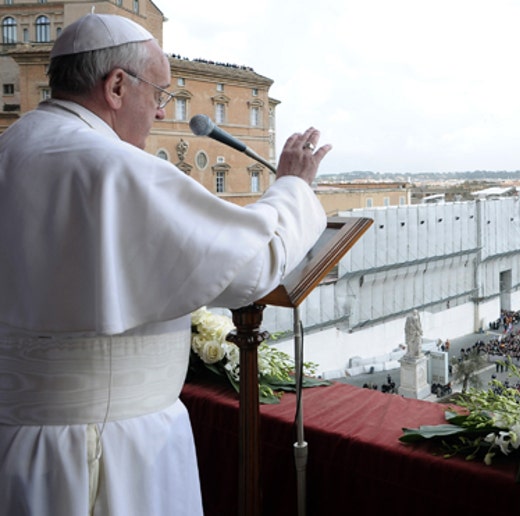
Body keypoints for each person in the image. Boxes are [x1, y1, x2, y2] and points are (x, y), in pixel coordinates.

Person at [0, 13, 329, 516]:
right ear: (115, 86)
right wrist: (293, 188)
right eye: (158, 95)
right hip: (105, 450)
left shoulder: (14, 147)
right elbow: (251, 265)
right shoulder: (113, 166)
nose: (159, 112)